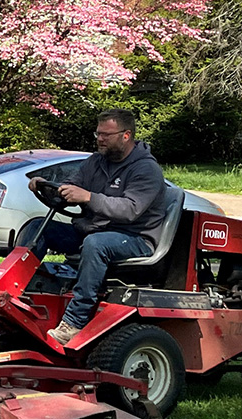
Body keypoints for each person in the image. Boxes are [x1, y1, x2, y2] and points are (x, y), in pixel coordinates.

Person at [25, 109, 167, 345]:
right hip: (94, 230)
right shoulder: (96, 162)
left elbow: (130, 209)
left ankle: (74, 322)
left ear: (126, 135)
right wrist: (49, 186)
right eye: (98, 134)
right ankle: (14, 288)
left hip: (135, 238)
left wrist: (89, 197)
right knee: (38, 227)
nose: (99, 139)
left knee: (96, 244)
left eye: (106, 135)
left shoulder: (146, 169)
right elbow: (74, 184)